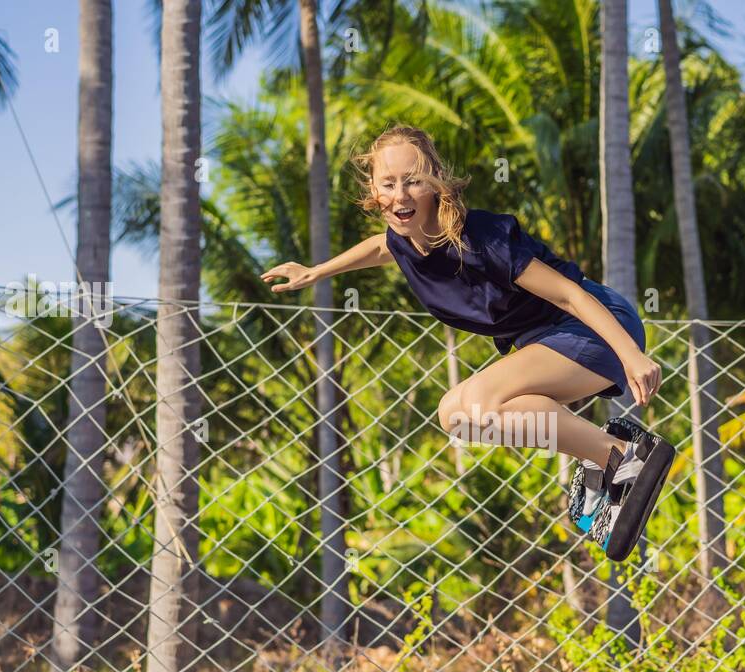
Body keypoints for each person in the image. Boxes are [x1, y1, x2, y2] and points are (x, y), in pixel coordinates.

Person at [260, 125, 674, 560]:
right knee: (457, 415)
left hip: (597, 326)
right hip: (552, 340)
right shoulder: (404, 240)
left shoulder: (480, 238)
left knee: (477, 400)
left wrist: (631, 354)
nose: (400, 195)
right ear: (373, 190)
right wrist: (315, 272)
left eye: (413, 181)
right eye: (388, 183)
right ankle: (603, 454)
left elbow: (569, 295)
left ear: (435, 182)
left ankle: (622, 455)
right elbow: (379, 248)